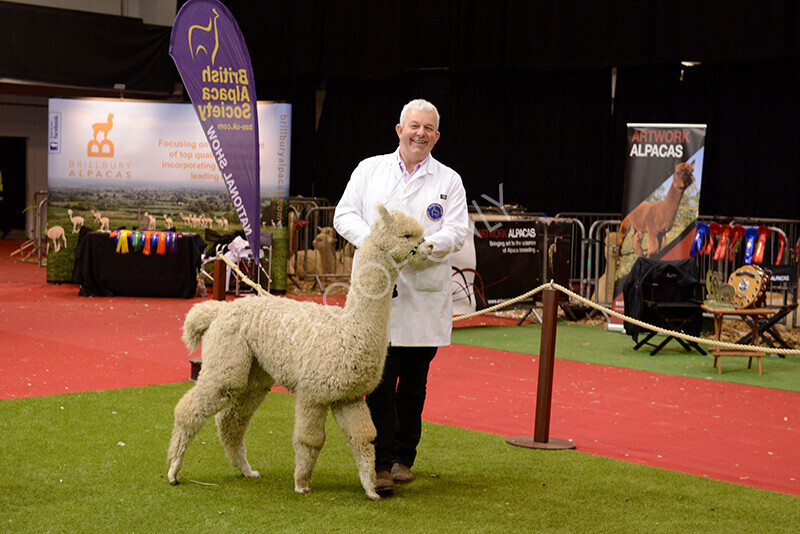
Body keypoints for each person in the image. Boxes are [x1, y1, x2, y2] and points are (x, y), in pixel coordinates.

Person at [333, 98, 469, 494]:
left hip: (424, 295)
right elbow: (344, 215)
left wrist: (422, 249)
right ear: (399, 129)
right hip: (376, 295)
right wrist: (376, 245)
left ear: (437, 136)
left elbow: (456, 231)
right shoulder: (369, 170)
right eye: (414, 126)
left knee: (413, 382)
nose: (420, 133)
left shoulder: (449, 181)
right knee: (377, 380)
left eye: (428, 128)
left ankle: (403, 457)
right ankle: (379, 462)